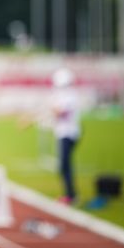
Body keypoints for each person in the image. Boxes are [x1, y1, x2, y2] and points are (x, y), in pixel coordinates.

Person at [51, 67, 80, 205]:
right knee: (64, 165)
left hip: (68, 133)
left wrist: (52, 110)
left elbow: (60, 112)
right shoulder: (63, 95)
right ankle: (69, 194)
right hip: (64, 132)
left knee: (64, 165)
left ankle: (71, 195)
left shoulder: (69, 96)